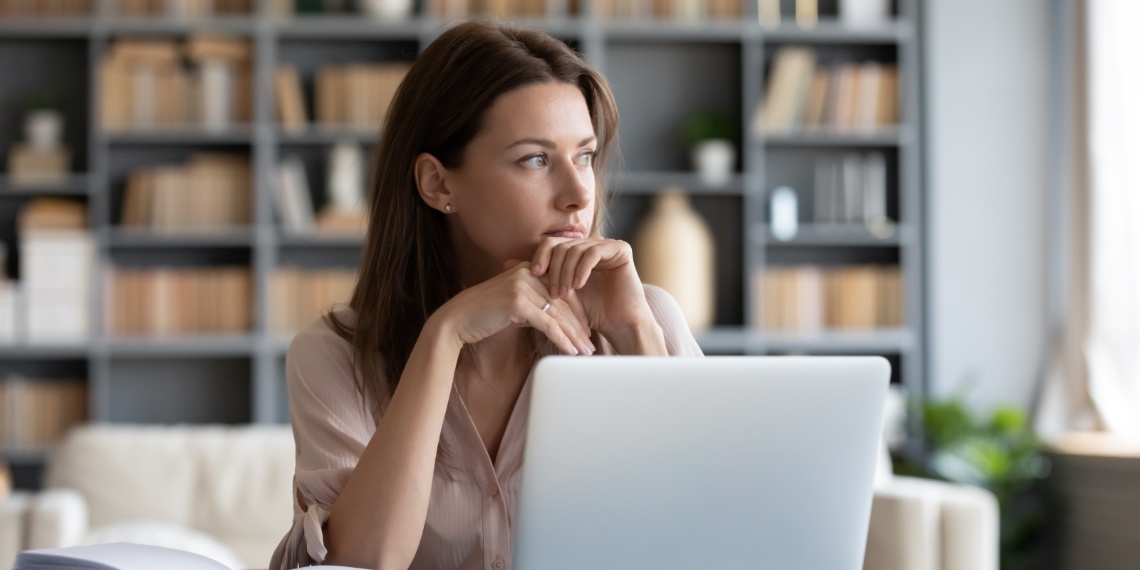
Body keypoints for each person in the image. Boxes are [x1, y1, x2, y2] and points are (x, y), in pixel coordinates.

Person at [270, 20, 703, 570]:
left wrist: (636, 335)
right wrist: (443, 336)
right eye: (535, 160)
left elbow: (711, 538)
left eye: (585, 156)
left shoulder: (645, 317)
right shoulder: (334, 354)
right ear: (438, 184)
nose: (578, 196)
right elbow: (365, 562)